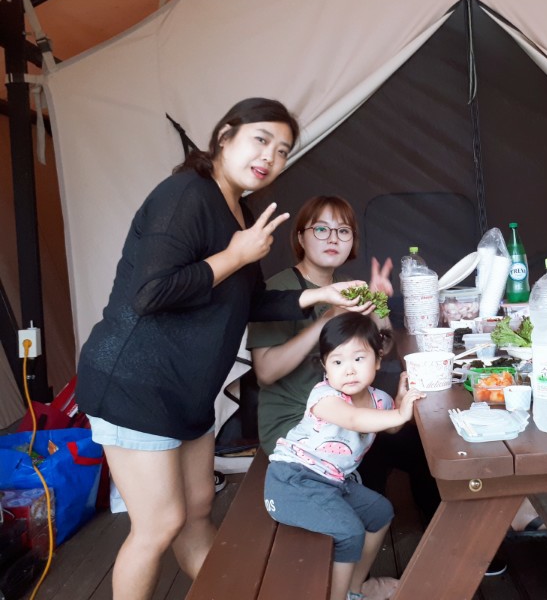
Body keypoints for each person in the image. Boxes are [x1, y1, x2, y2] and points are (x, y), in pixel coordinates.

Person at [76, 98, 366, 600]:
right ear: (225, 136)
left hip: (187, 391)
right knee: (158, 525)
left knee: (196, 512)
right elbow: (150, 293)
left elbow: (247, 300)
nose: (270, 156)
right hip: (136, 384)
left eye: (283, 150)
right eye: (261, 140)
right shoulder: (185, 195)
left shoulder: (240, 212)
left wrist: (318, 296)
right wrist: (234, 255)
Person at [247, 195, 441, 521]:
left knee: (422, 442)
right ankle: (362, 525)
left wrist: (377, 307)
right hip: (297, 427)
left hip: (350, 409)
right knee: (383, 447)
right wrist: (326, 319)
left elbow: (382, 351)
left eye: (343, 231)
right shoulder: (279, 290)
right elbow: (265, 371)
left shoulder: (347, 286)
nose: (333, 238)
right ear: (300, 238)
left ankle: (439, 532)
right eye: (321, 229)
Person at [264, 313, 424, 600]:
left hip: (333, 482)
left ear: (378, 360)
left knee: (380, 513)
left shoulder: (379, 399)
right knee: (350, 532)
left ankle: (354, 589)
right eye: (337, 362)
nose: (349, 370)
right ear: (325, 367)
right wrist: (400, 413)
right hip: (291, 482)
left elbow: (391, 426)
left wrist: (400, 401)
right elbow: (353, 419)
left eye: (358, 359)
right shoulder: (324, 397)